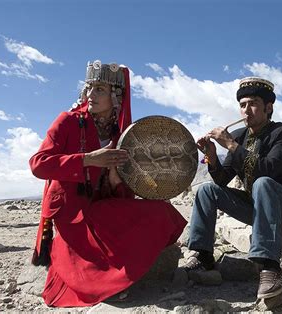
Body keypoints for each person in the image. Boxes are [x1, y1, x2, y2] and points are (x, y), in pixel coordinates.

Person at [29, 60, 187, 307]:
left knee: (160, 212)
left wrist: (115, 180)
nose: (91, 94)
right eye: (89, 87)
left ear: (116, 96)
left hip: (99, 206)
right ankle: (101, 281)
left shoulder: (121, 136)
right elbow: (38, 164)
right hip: (70, 211)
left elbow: (120, 191)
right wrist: (87, 160)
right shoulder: (68, 121)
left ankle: (120, 274)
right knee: (87, 256)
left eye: (100, 89)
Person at [186, 77, 282, 299]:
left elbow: (267, 169)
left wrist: (231, 145)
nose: (245, 111)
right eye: (242, 105)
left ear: (268, 107)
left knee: (263, 182)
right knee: (206, 190)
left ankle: (270, 267)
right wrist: (212, 157)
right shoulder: (241, 136)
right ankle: (203, 256)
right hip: (256, 208)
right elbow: (222, 180)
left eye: (252, 104)